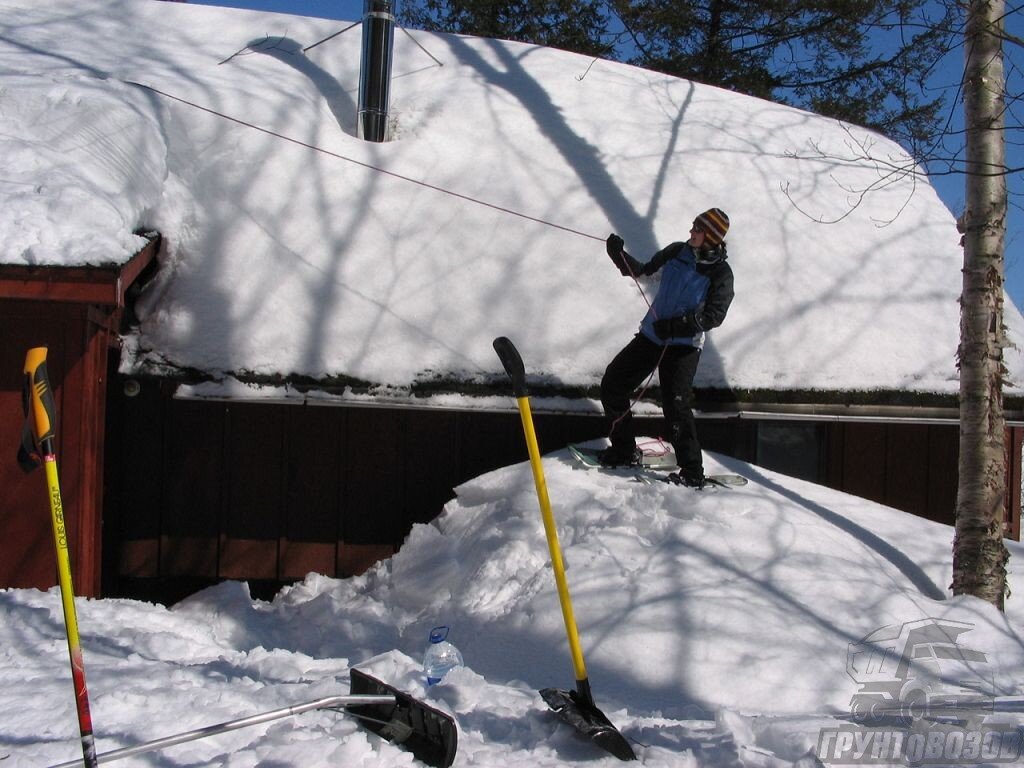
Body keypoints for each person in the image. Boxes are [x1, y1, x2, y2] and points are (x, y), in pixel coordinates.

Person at [598, 208, 735, 488]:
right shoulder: (676, 252)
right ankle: (624, 450)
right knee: (613, 384)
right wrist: (618, 255)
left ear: (711, 236)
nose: (691, 232)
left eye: (697, 229)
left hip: (683, 346)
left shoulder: (721, 273)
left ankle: (692, 471)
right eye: (693, 225)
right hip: (652, 336)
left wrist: (677, 326)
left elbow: (713, 316)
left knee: (676, 405)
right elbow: (644, 273)